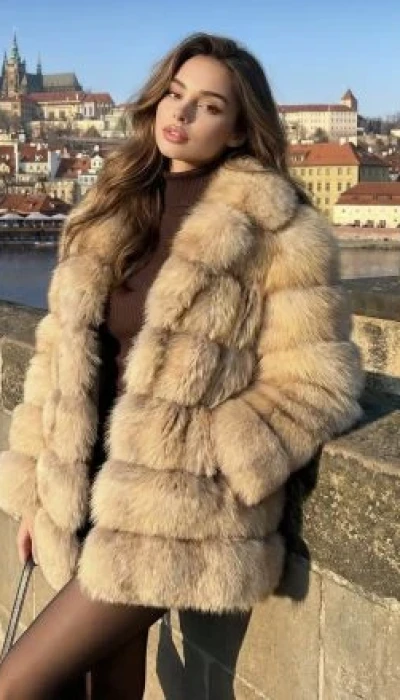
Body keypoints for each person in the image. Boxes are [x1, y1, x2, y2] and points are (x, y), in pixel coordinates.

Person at [0, 32, 364, 699]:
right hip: (84, 488)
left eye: (209, 106)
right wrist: (35, 490)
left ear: (238, 129)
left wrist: (217, 454)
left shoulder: (277, 229)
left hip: (174, 514)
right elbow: (57, 357)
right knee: (104, 688)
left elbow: (319, 382)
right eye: (175, 94)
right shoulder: (111, 204)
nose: (182, 113)